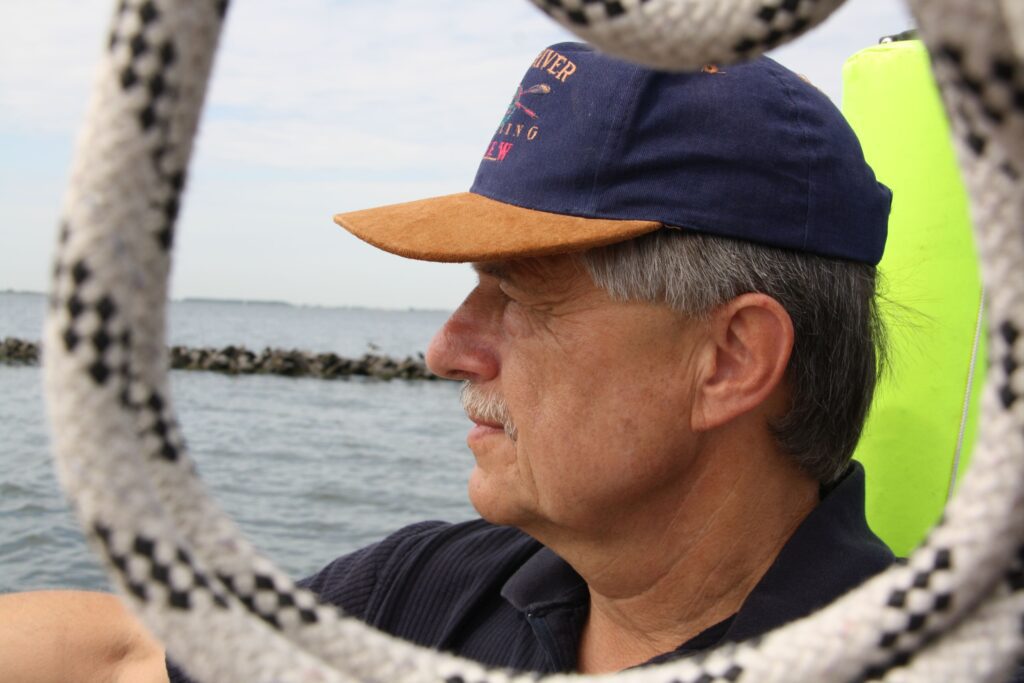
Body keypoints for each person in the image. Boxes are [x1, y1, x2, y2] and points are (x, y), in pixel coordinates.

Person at [0, 42, 895, 682]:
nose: (446, 350)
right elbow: (127, 656)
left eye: (522, 295)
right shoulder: (432, 590)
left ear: (731, 358)